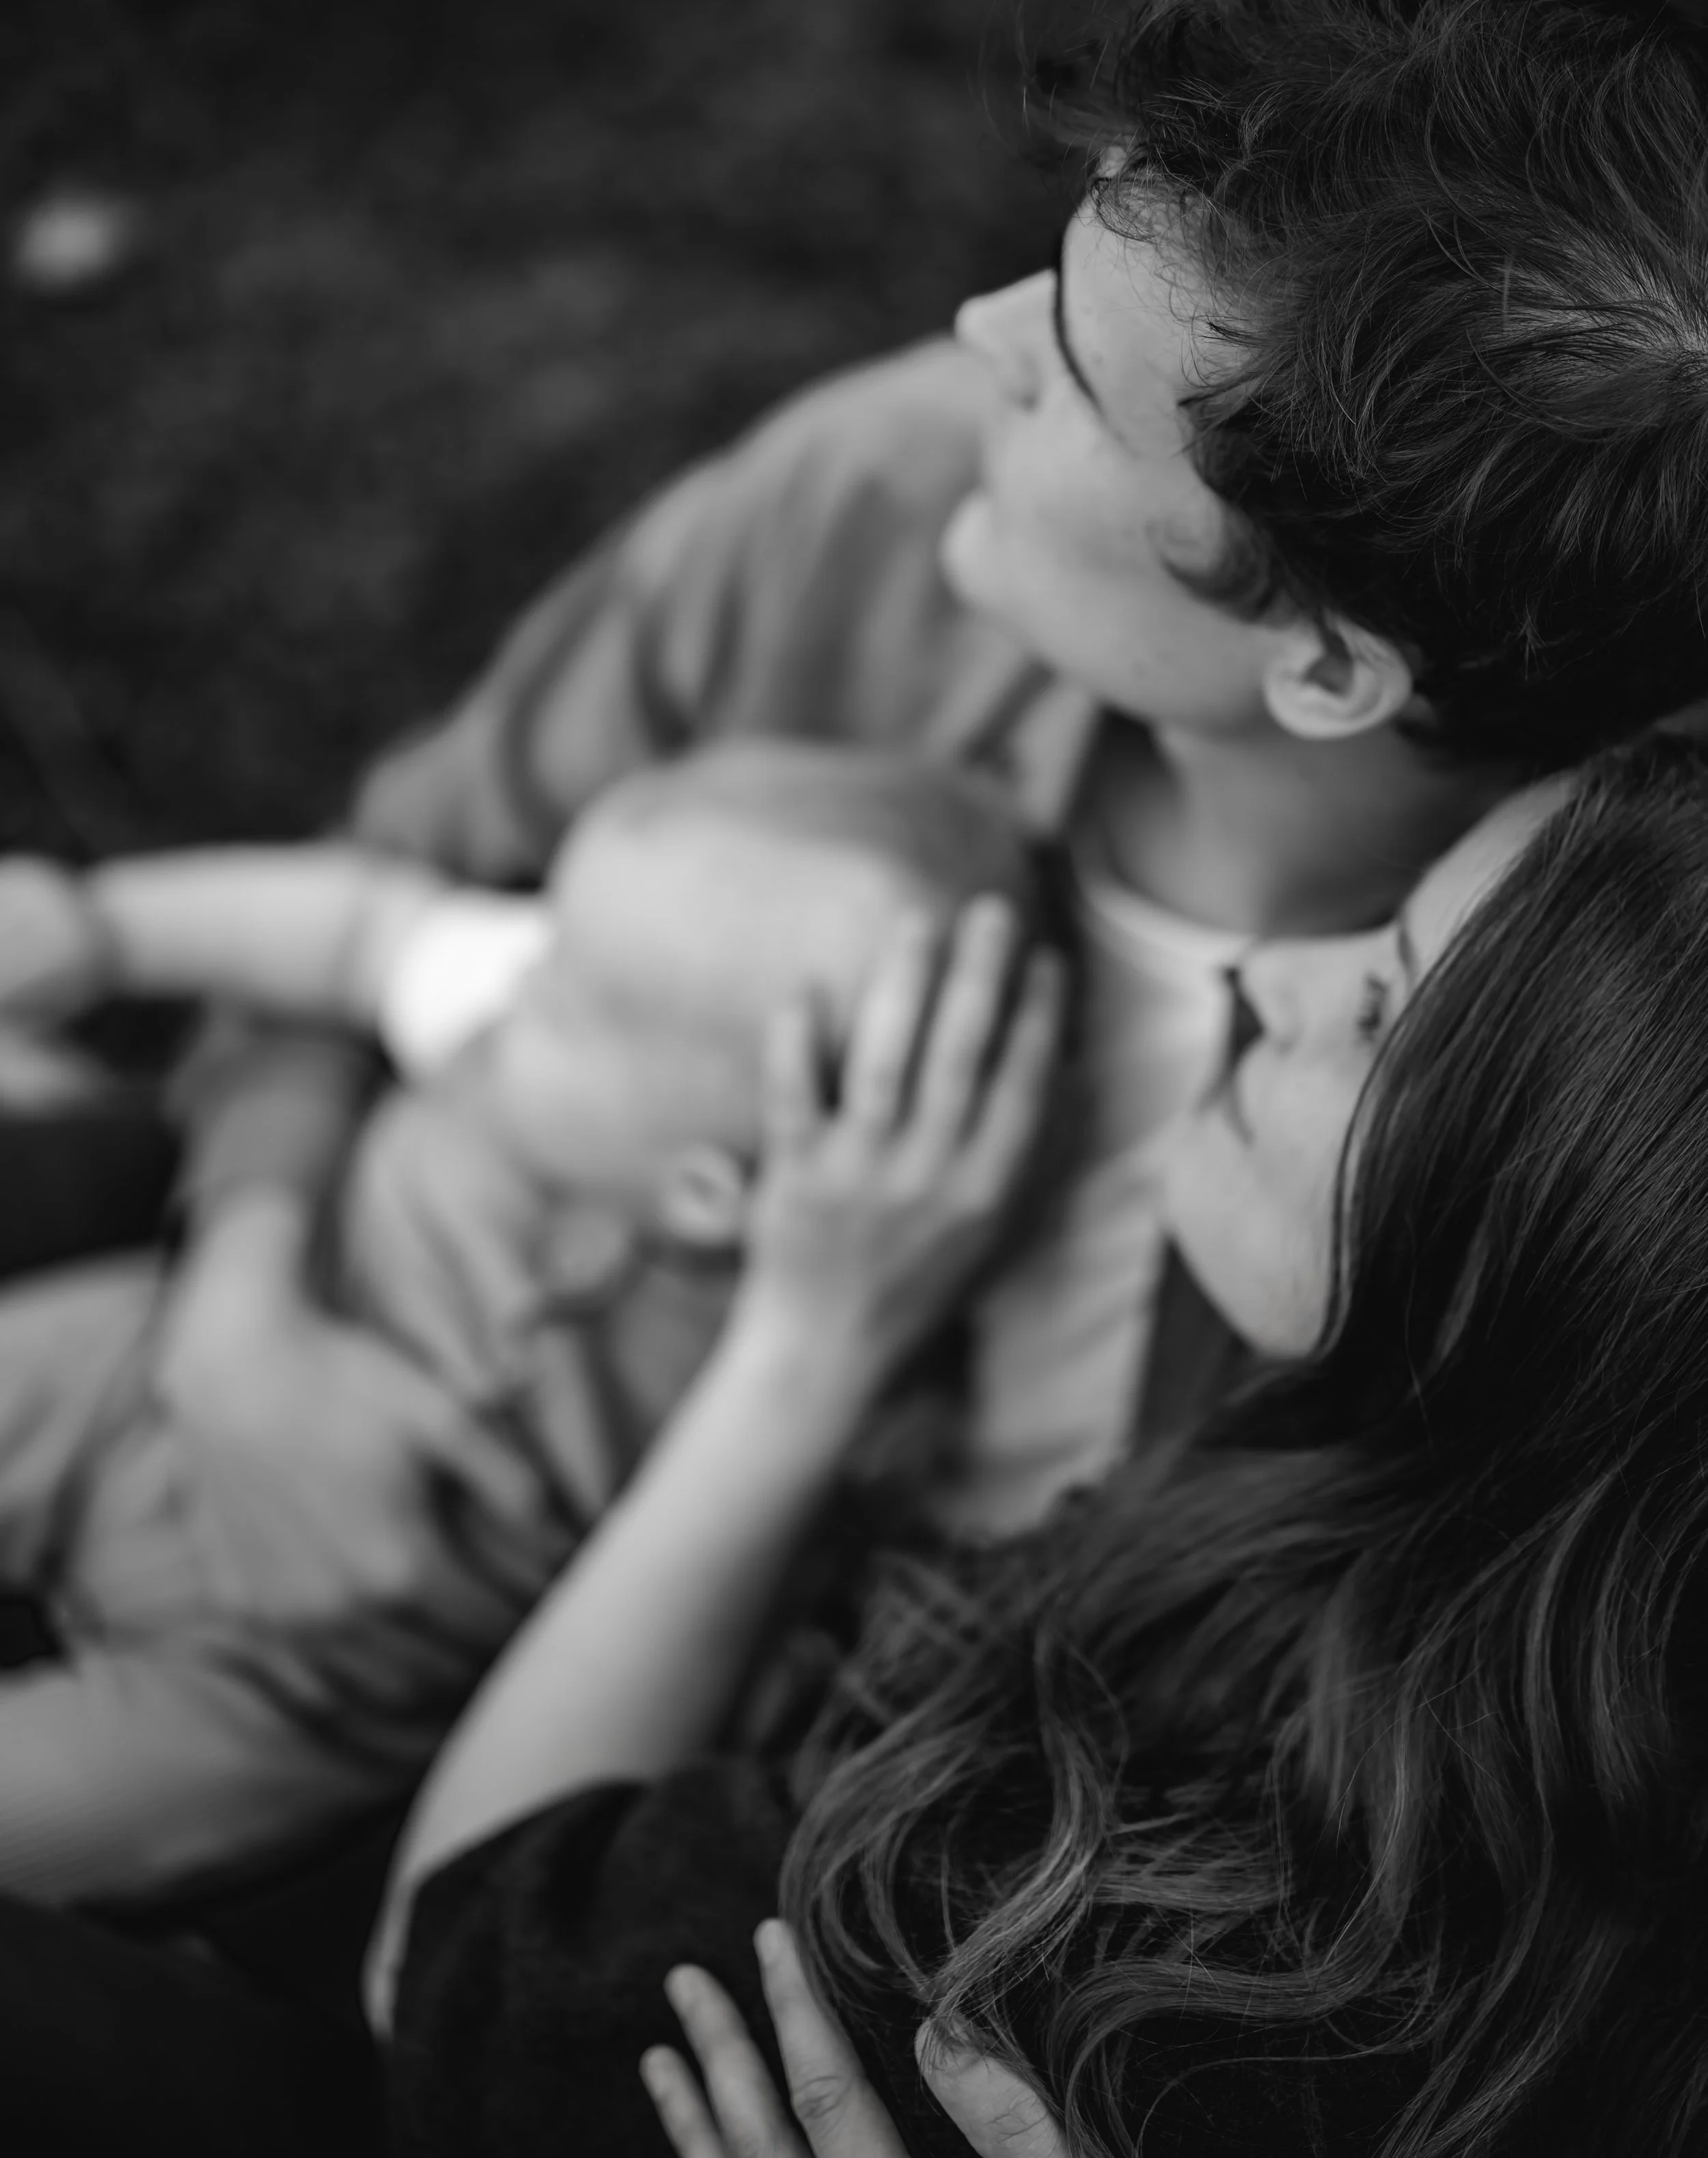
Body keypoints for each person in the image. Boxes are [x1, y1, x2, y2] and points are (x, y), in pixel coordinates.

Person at [132, 0, 1708, 1669]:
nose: (978, 334)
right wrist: (239, 1324)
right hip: (315, 1321)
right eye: (1050, 280)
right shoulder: (878, 503)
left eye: (1084, 388)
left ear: (1326, 665)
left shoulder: (1595, 1086)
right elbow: (394, 879)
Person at [380, 739, 1708, 2158]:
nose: (1261, 978)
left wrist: (804, 1351)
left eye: (1375, 1010)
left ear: (1548, 1255)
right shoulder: (1477, 1609)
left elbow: (450, 1960)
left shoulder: (1061, 1949)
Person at [0, 741, 1045, 1904]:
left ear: (707, 1191)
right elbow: (357, 928)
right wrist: (97, 927)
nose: (510, 971)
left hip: (303, 1691)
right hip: (136, 1374)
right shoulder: (542, 1017)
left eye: (560, 988)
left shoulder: (803, 1363)